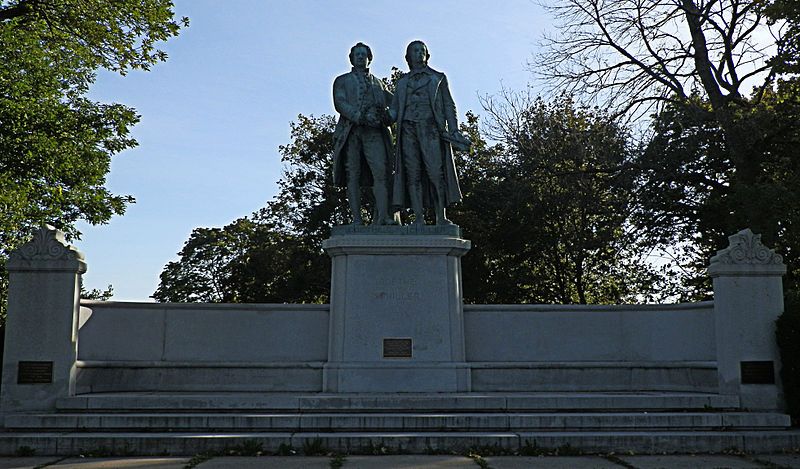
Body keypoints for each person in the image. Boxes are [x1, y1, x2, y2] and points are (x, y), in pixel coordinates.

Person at [390, 40, 470, 226]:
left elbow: (449, 105)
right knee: (413, 174)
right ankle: (418, 218)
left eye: (421, 51)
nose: (418, 54)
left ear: (427, 55)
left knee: (435, 172)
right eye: (414, 51)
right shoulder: (402, 82)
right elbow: (394, 110)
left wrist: (454, 129)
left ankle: (440, 216)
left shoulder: (438, 78)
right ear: (408, 57)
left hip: (430, 129)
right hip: (408, 130)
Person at [332, 42, 397, 225]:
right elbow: (340, 103)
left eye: (364, 54)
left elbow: (394, 103)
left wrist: (387, 118)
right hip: (350, 132)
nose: (360, 57)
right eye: (357, 54)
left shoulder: (379, 83)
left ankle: (383, 216)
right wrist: (360, 116)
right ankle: (357, 219)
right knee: (352, 174)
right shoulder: (342, 80)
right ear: (351, 58)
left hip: (374, 133)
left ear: (369, 58)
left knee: (381, 173)